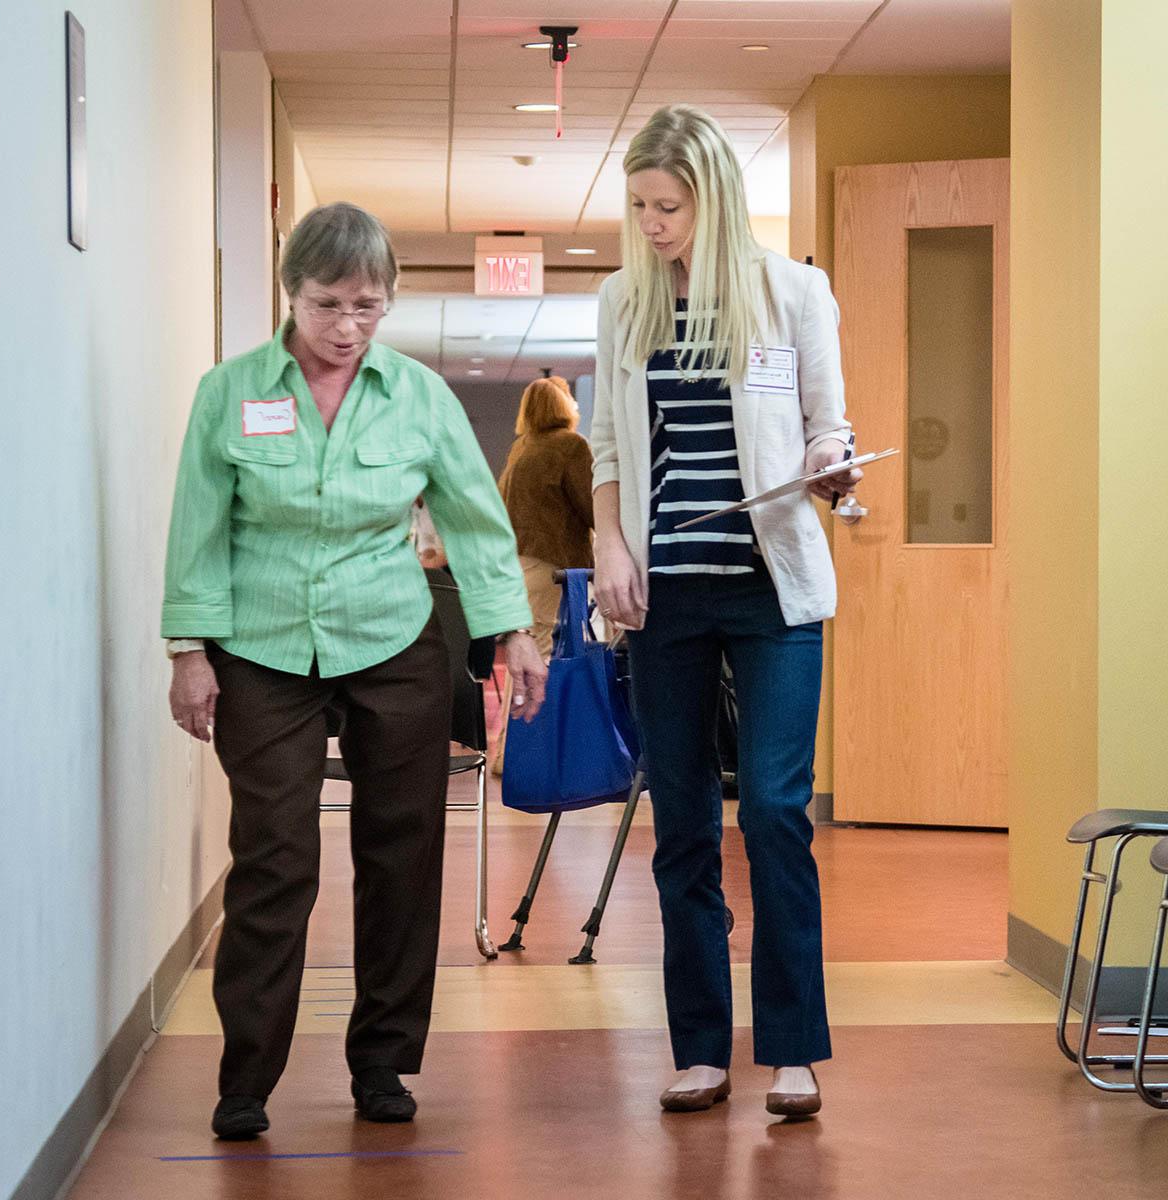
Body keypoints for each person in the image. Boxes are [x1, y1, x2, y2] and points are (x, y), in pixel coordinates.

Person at [161, 202, 546, 1140]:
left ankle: (382, 1062)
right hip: (262, 646)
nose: (345, 328)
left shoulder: (417, 396)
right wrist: (188, 651)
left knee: (401, 851)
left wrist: (511, 632)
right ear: (290, 294)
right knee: (276, 858)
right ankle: (246, 1078)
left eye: (367, 307)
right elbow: (199, 528)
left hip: (391, 640)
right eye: (327, 304)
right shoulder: (230, 391)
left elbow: (475, 522)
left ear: (390, 302)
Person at [590, 105, 861, 1118]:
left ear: (714, 198)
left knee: (781, 812)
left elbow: (826, 428)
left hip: (772, 588)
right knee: (685, 827)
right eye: (640, 206)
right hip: (667, 599)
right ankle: (700, 1047)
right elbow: (610, 454)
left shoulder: (792, 292)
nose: (653, 223)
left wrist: (831, 466)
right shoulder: (624, 304)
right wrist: (609, 545)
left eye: (669, 206)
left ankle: (791, 1052)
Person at [492, 378, 594, 775]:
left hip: (520, 565)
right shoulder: (570, 446)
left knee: (526, 662)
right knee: (545, 663)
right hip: (553, 568)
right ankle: (532, 755)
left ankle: (508, 753)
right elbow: (591, 506)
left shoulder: (522, 448)